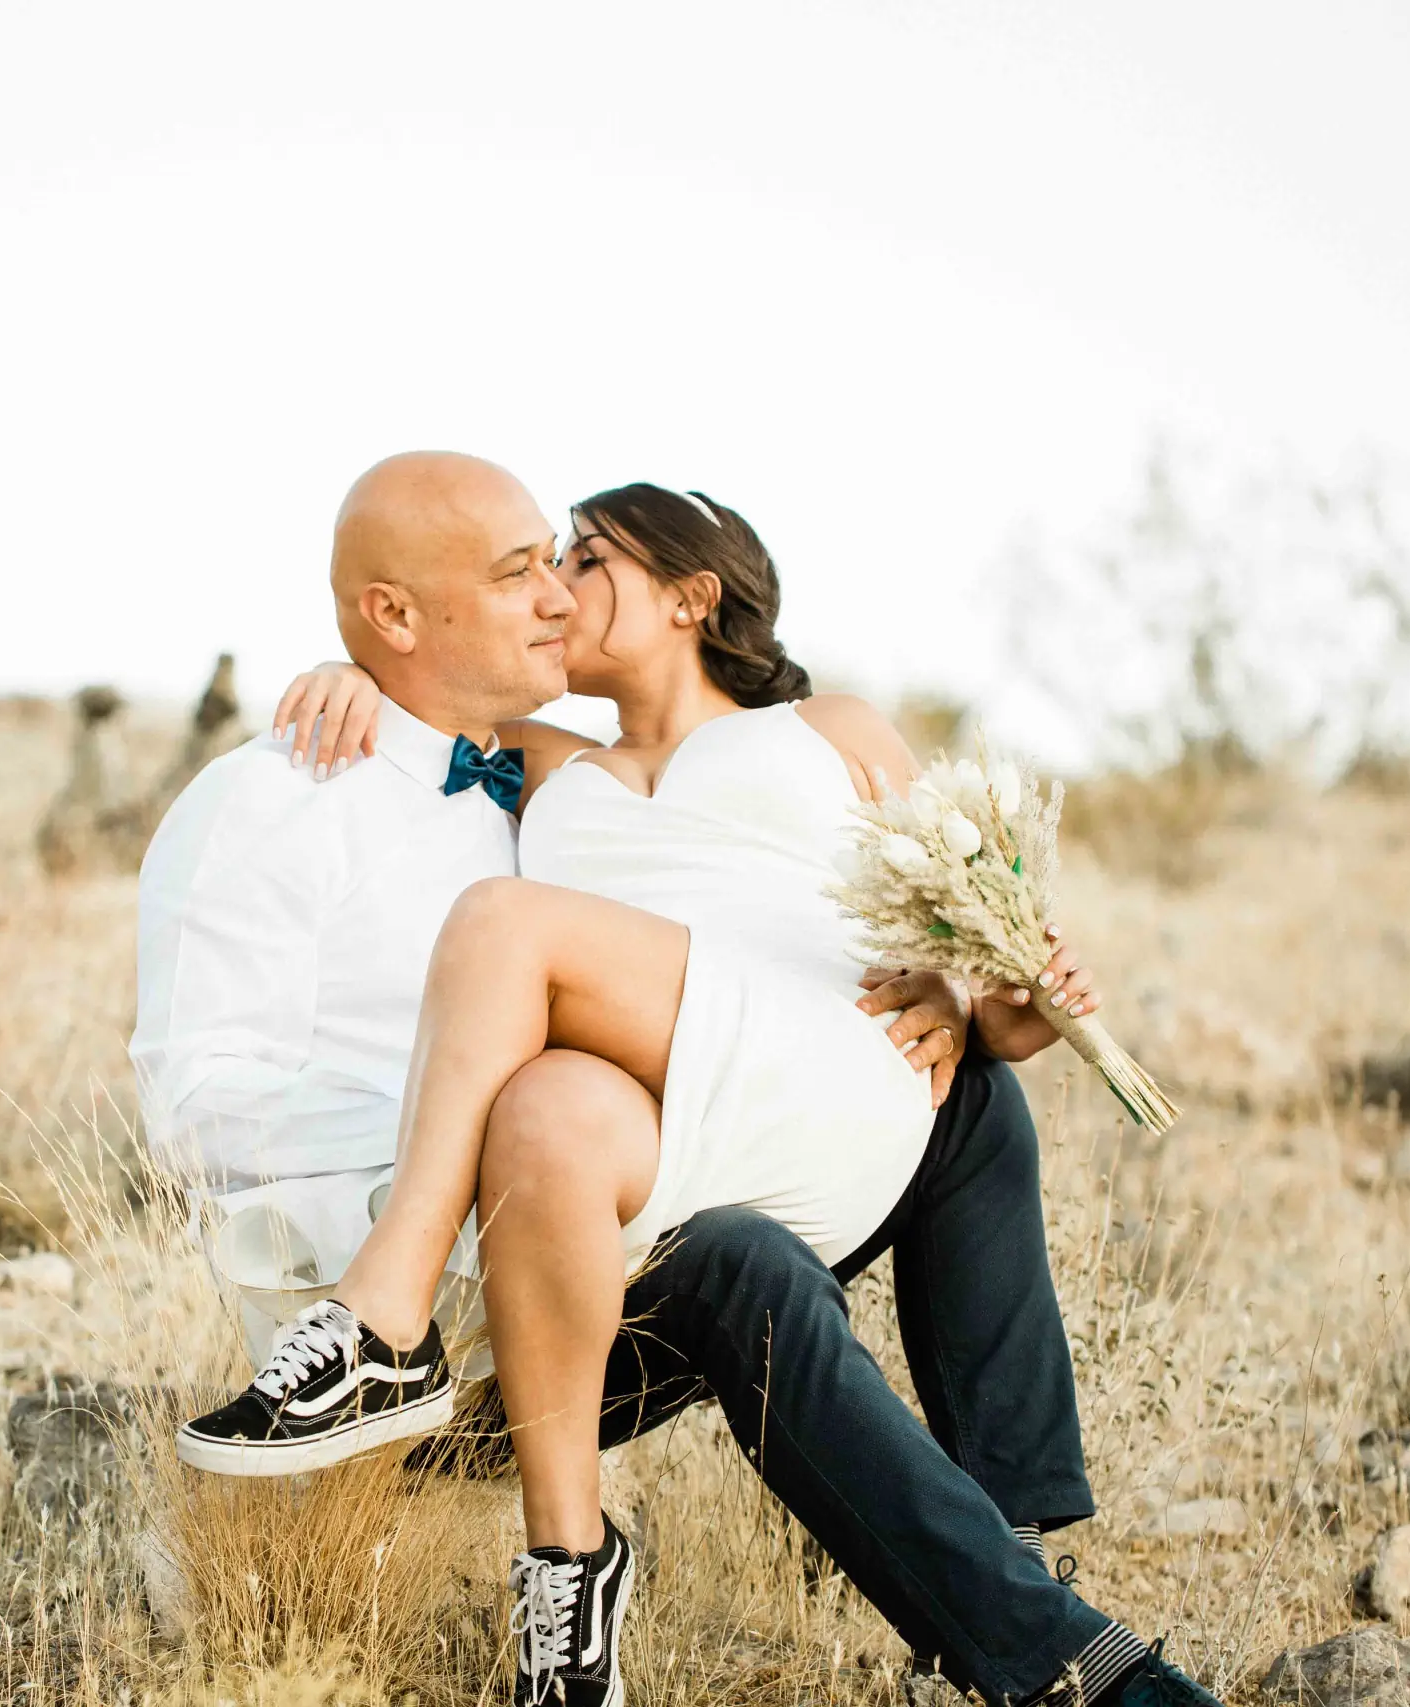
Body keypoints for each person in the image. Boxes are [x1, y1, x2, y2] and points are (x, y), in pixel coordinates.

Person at [131, 452, 1220, 1707]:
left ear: (692, 597)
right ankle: (570, 1567)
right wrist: (338, 675)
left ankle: (387, 1316)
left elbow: (962, 947)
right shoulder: (542, 763)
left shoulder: (827, 731)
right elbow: (424, 707)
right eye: (533, 567)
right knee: (541, 1110)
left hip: (830, 1078)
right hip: (683, 1129)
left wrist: (978, 998)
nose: (554, 591)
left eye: (579, 560)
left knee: (503, 924)